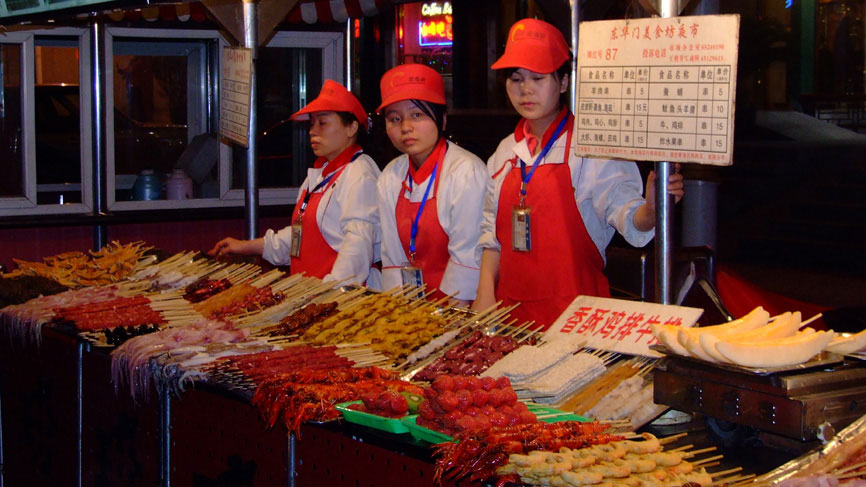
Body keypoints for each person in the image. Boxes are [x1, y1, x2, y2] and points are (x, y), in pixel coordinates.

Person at [472, 18, 684, 328]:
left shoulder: (592, 147)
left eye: (538, 78)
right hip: (509, 317)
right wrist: (484, 293)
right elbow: (493, 237)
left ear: (563, 82)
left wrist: (653, 209)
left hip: (577, 318)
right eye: (515, 79)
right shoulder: (504, 153)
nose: (525, 89)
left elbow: (630, 218)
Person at [209, 80, 381, 288]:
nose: (312, 131)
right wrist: (247, 246)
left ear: (351, 128)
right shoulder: (319, 174)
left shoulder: (359, 174)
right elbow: (301, 237)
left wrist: (328, 293)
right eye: (311, 123)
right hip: (311, 294)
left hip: (343, 303)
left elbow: (357, 248)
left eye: (322, 123)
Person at [376, 63, 487, 305]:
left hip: (461, 307)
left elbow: (467, 255)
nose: (406, 127)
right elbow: (393, 256)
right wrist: (398, 314)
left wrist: (448, 320)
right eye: (395, 119)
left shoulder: (465, 171)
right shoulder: (390, 176)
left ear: (442, 119)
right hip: (411, 308)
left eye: (417, 115)